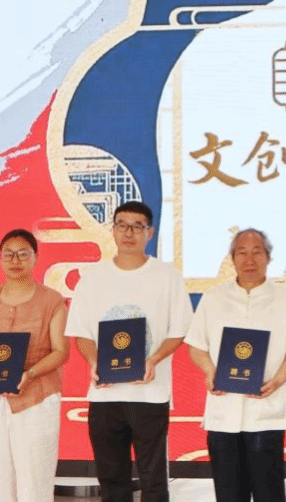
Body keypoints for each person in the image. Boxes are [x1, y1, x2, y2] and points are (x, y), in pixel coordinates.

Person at [64, 201, 194, 502]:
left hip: (150, 393)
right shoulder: (93, 278)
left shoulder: (167, 276)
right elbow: (81, 333)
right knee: (111, 478)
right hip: (105, 394)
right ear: (112, 230)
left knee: (153, 480)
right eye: (122, 225)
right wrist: (94, 361)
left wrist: (154, 360)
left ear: (150, 233)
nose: (129, 233)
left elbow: (179, 330)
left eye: (137, 226)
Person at [186, 228, 286, 502]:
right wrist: (210, 371)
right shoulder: (214, 298)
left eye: (257, 252)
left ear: (268, 258)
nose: (249, 259)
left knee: (270, 494)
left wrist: (277, 380)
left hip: (266, 411)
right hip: (222, 410)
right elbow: (196, 345)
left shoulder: (285, 299)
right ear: (232, 258)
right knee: (228, 494)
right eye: (242, 253)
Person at [0, 228, 69, 502]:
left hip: (36, 401)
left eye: (23, 254)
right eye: (8, 254)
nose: (15, 260)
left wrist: (30, 373)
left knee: (35, 482)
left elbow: (61, 352)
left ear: (36, 257)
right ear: (0, 259)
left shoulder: (52, 301)